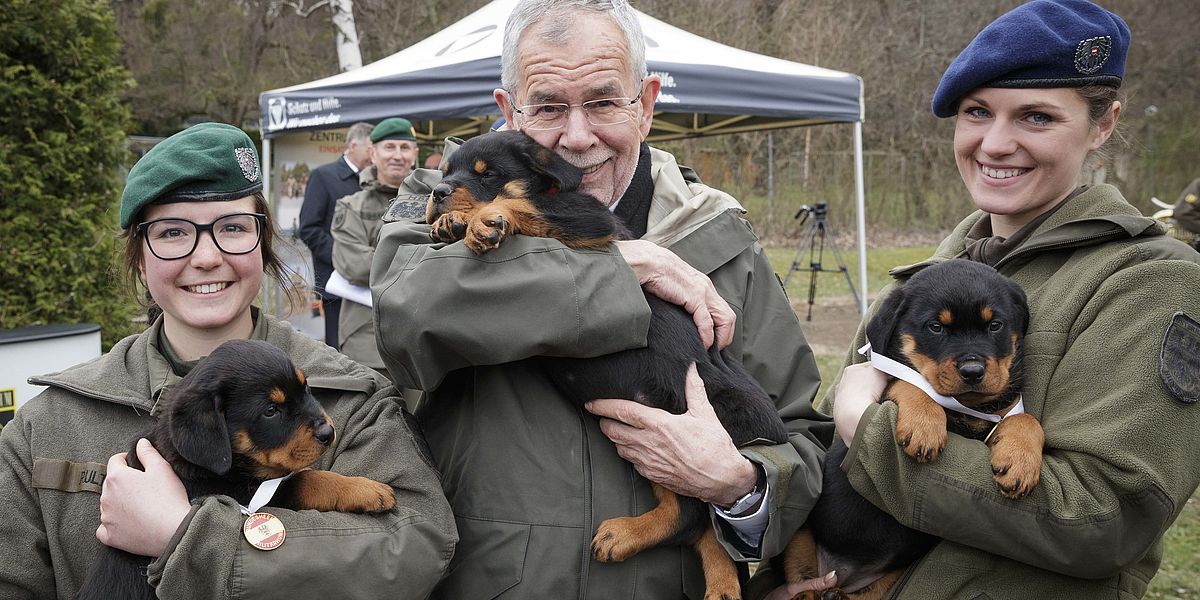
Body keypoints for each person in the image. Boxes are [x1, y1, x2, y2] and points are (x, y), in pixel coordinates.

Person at [369, 0, 834, 597]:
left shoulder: (718, 234)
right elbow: (407, 315)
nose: (577, 136)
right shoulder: (440, 204)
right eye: (548, 107)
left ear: (646, 103)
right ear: (508, 111)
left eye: (603, 102)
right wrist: (623, 267)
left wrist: (740, 485)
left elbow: (798, 434)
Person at [753, 1, 1200, 598]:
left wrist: (869, 429)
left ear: (1103, 124)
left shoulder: (1148, 280)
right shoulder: (935, 271)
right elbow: (827, 449)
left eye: (1036, 117)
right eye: (977, 112)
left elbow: (1103, 524)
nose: (995, 143)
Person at [0, 123, 456, 599]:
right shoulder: (46, 423)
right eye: (172, 232)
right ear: (139, 257)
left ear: (264, 244)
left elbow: (420, 552)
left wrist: (186, 534)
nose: (206, 256)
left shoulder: (354, 400)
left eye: (233, 228)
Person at [331, 117, 418, 380]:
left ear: (415, 154)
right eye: (389, 147)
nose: (397, 155)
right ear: (372, 153)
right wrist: (421, 260)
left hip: (421, 339)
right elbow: (355, 266)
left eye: (405, 147)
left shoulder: (437, 201)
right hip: (367, 339)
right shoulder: (351, 206)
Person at [299, 121, 374, 349]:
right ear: (352, 146)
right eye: (370, 148)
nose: (374, 154)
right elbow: (309, 228)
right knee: (340, 350)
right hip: (338, 284)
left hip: (372, 284)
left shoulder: (374, 181)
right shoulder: (324, 176)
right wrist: (346, 259)